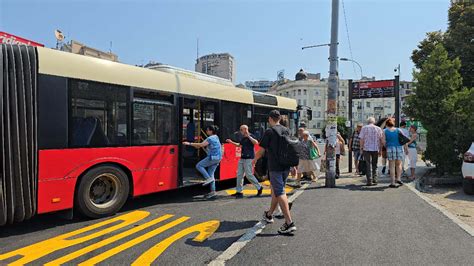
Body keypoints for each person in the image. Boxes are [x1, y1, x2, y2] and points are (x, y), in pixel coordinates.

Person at [253, 110, 296, 234]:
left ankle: (289, 223)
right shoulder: (287, 130)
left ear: (270, 119)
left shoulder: (269, 131)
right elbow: (292, 148)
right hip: (286, 166)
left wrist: (254, 160)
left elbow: (261, 151)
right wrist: (293, 166)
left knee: (279, 192)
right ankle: (269, 214)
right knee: (275, 191)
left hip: (275, 167)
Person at [183, 125, 222, 199]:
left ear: (211, 131)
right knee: (211, 175)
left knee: (199, 165)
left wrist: (189, 144)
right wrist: (197, 145)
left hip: (212, 157)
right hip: (218, 158)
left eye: (207, 130)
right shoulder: (216, 137)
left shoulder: (210, 138)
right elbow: (201, 146)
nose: (206, 132)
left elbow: (201, 145)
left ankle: (207, 178)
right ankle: (213, 192)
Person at [226, 125, 263, 198]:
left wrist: (248, 136)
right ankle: (239, 191)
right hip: (242, 158)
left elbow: (256, 143)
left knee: (249, 175)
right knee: (239, 174)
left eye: (241, 130)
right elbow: (239, 145)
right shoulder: (243, 138)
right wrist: (231, 142)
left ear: (246, 129)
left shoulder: (251, 136)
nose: (240, 131)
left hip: (249, 158)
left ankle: (259, 187)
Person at [359, 117, 384, 186]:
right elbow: (381, 140)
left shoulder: (364, 128)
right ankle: (375, 179)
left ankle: (369, 180)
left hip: (366, 149)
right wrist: (380, 150)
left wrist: (361, 148)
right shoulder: (378, 129)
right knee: (375, 165)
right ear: (374, 122)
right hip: (375, 149)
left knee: (368, 164)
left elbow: (361, 139)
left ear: (368, 122)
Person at [382, 118, 404, 188]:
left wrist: (386, 146)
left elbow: (383, 141)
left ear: (386, 124)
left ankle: (393, 182)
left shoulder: (384, 131)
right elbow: (403, 139)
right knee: (399, 164)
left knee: (391, 166)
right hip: (399, 148)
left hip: (390, 148)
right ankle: (399, 178)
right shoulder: (398, 130)